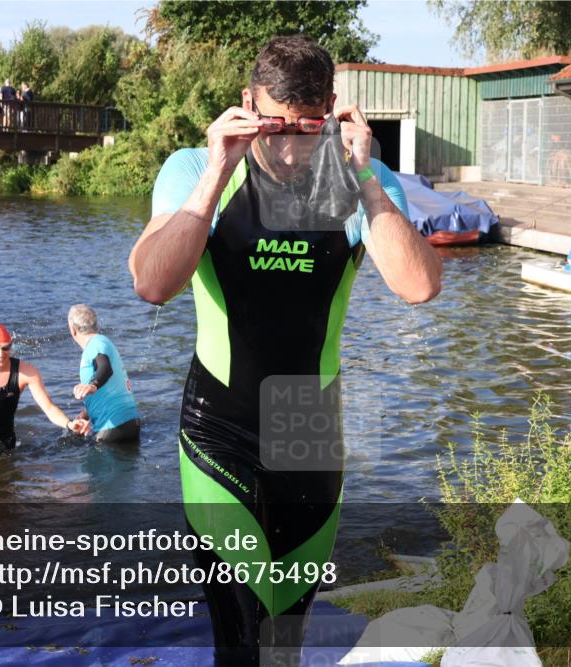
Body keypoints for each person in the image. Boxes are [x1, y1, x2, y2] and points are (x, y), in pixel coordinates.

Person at [129, 35, 441, 665]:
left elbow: (419, 286)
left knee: (285, 639)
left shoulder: (363, 177)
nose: (292, 147)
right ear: (248, 105)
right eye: (275, 125)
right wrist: (219, 172)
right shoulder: (193, 168)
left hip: (308, 428)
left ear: (330, 108)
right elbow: (152, 283)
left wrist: (367, 182)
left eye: (308, 126)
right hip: (221, 423)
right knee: (241, 631)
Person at [0, 324, 90, 458]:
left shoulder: (26, 372)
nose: (1, 353)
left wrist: (69, 424)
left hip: (7, 440)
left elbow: (48, 407)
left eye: (6, 348)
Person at [67, 304, 139, 444]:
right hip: (130, 422)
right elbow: (110, 384)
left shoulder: (96, 343)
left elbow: (105, 369)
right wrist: (86, 414)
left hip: (113, 427)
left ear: (72, 329)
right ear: (96, 325)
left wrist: (92, 385)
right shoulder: (102, 343)